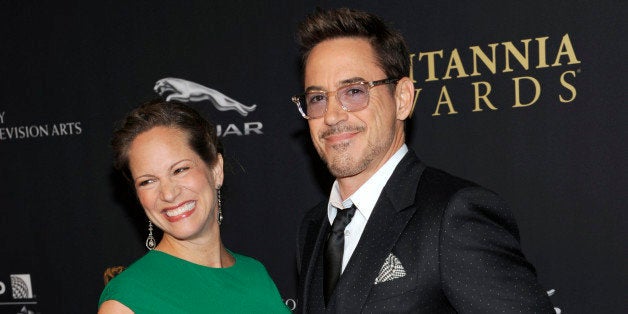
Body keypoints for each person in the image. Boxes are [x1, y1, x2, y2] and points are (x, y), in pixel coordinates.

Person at [292, 8, 555, 313]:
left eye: (354, 91)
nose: (333, 115)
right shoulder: (313, 227)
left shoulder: (453, 215)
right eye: (318, 98)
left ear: (402, 98)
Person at [99, 100, 290, 313]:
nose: (169, 194)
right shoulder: (127, 299)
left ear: (216, 170)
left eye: (180, 170)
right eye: (148, 181)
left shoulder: (255, 274)